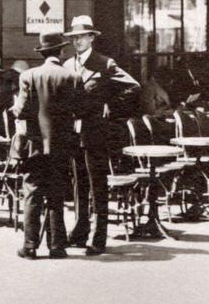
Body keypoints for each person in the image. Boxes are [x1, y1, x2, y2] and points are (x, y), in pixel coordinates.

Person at [64, 15, 140, 254]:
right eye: (74, 37)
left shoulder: (105, 64)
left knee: (98, 183)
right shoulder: (67, 65)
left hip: (96, 132)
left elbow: (133, 87)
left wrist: (111, 105)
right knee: (79, 182)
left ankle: (99, 236)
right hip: (73, 133)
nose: (78, 41)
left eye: (82, 37)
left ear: (91, 38)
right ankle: (80, 229)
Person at [13, 32, 83, 259]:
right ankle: (56, 246)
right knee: (56, 194)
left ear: (43, 53)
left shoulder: (28, 76)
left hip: (34, 145)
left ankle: (30, 245)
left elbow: (22, 111)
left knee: (32, 193)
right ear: (61, 52)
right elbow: (80, 110)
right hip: (60, 145)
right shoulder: (72, 77)